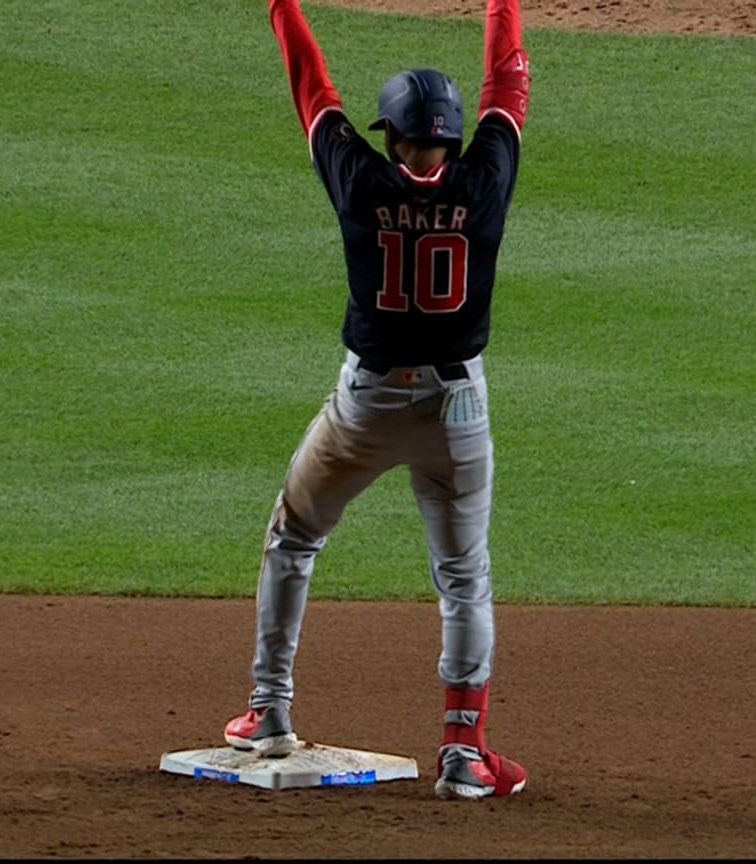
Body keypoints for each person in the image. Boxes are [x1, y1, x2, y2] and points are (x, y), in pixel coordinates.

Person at [223, 0, 532, 801]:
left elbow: (312, 91)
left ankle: (269, 711)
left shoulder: (359, 182)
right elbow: (509, 85)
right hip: (458, 408)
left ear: (390, 135)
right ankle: (465, 755)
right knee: (463, 574)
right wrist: (503, 6)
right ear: (453, 137)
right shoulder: (487, 179)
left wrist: (284, 9)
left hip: (364, 408)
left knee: (294, 536)